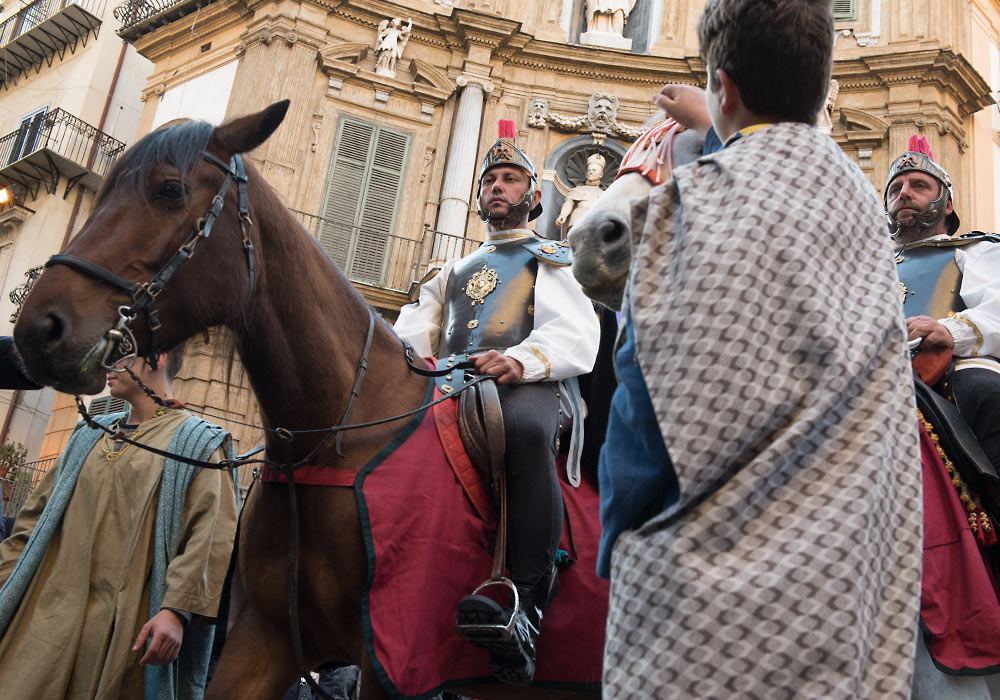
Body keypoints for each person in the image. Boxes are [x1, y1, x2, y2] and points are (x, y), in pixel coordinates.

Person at [597, 1, 921, 698]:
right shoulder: (864, 207)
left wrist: (622, 533)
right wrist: (717, 132)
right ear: (822, 87)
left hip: (699, 622)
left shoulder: (694, 205)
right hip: (844, 607)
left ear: (726, 85)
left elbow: (644, 411)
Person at [394, 120, 600, 685]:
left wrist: (521, 361)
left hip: (529, 385)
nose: (497, 188)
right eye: (490, 180)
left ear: (534, 197)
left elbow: (576, 334)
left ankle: (526, 597)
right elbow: (412, 338)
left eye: (510, 180)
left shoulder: (552, 258)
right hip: (450, 383)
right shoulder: (449, 271)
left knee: (527, 430)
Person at [0, 344, 238, 699]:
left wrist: (176, 612)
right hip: (47, 616)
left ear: (156, 359)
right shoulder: (88, 434)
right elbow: (32, 521)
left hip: (126, 630)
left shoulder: (198, 443)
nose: (107, 365)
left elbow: (210, 536)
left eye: (121, 356)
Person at [885, 136, 1000, 470]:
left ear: (945, 204)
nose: (904, 193)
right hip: (875, 368)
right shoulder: (868, 266)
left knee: (986, 393)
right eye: (895, 190)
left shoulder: (975, 250)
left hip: (952, 365)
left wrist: (948, 331)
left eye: (918, 185)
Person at [554, 152, 607, 236]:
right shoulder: (577, 190)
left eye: (594, 170)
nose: (590, 172)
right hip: (577, 220)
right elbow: (568, 203)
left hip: (596, 223)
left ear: (601, 174)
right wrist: (563, 215)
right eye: (589, 170)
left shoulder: (604, 194)